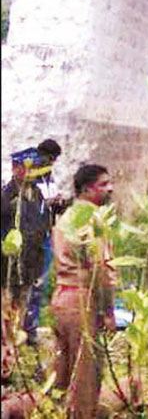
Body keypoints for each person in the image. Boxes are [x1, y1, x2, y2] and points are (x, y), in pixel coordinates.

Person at [50, 164, 117, 419]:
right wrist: (108, 311)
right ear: (87, 190)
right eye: (103, 184)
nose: (110, 189)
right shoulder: (93, 219)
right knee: (86, 374)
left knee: (63, 370)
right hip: (82, 299)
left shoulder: (65, 217)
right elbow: (101, 268)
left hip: (61, 298)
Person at [0, 140, 62, 345]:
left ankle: (22, 337)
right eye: (26, 168)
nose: (30, 172)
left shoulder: (36, 194)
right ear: (15, 168)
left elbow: (41, 223)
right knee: (6, 307)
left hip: (32, 260)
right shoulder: (6, 196)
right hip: (9, 266)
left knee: (24, 302)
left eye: (33, 168)